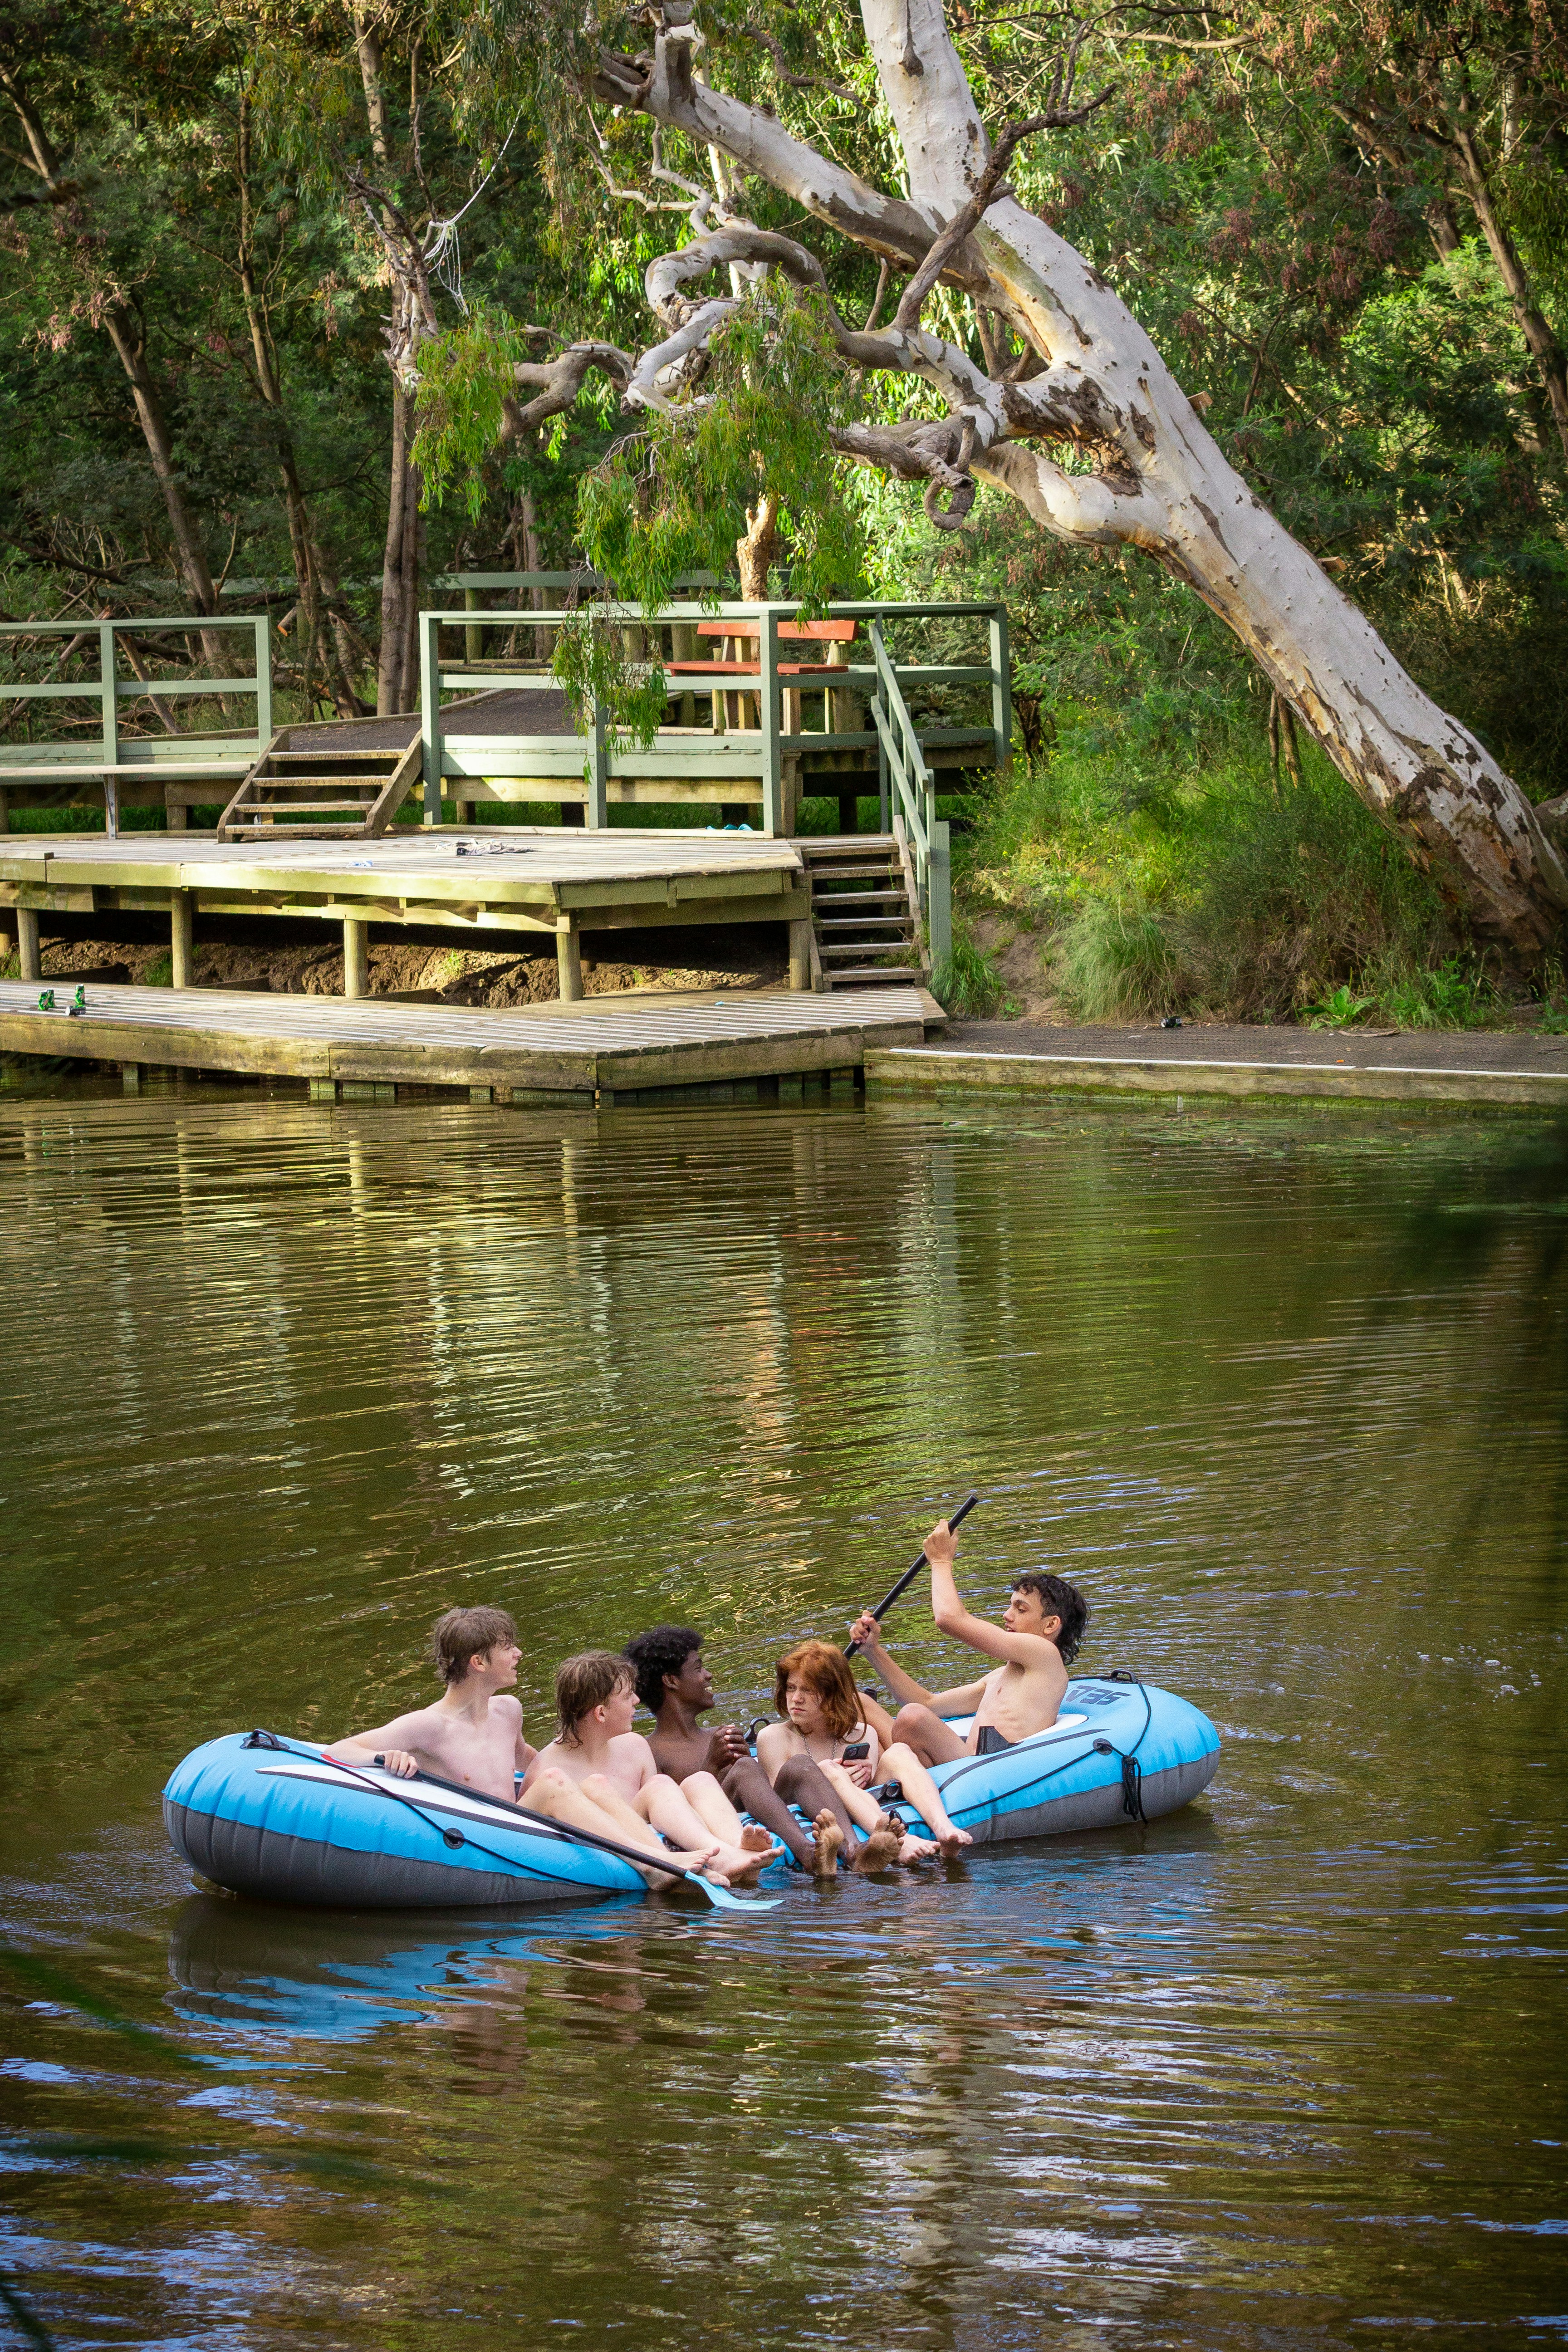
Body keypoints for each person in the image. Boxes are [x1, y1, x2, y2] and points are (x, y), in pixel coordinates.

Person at [847, 1518, 1089, 1856]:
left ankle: (871, 1780)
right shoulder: (1000, 1675)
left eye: (1020, 1609)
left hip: (985, 1774)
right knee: (861, 1702)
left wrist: (942, 1562)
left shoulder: (1046, 1658)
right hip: (962, 1762)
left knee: (913, 1718)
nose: (1007, 1616)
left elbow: (949, 1619)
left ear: (1051, 1625)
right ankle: (860, 1772)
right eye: (1010, 1605)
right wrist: (874, 1651)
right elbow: (928, 1703)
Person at [624, 1623, 872, 1878]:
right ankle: (807, 1852)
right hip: (714, 1825)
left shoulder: (719, 1735)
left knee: (800, 1764)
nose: (708, 1675)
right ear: (671, 1681)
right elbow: (669, 1810)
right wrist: (713, 1766)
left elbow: (761, 1791)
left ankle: (854, 1850)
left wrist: (747, 1764)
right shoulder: (652, 1750)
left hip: (761, 1815)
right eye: (699, 1669)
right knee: (744, 1768)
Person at [521, 1651, 786, 1887]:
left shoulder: (635, 1745)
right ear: (601, 1713)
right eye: (627, 1697)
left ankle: (731, 1851)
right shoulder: (547, 1769)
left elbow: (656, 1815)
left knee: (697, 1780)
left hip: (642, 1836)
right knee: (596, 1785)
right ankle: (709, 1859)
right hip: (598, 1847)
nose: (637, 1701)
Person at [330, 1604, 535, 1808]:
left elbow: (521, 1756)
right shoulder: (430, 1725)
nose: (519, 1653)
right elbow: (338, 1751)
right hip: (478, 1833)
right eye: (508, 1648)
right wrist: (383, 1757)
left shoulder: (509, 1710)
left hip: (518, 1823)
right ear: (479, 1663)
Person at [755, 1640, 934, 1868]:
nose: (796, 1699)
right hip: (799, 1809)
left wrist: (865, 1780)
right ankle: (873, 1847)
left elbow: (868, 1794)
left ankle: (937, 1829)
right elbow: (777, 1801)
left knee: (899, 1751)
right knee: (809, 1768)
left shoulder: (863, 1735)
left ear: (833, 1694)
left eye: (808, 1690)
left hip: (856, 1812)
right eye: (791, 1688)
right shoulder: (773, 1737)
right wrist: (831, 1780)